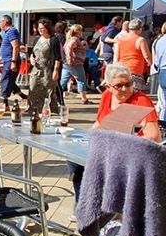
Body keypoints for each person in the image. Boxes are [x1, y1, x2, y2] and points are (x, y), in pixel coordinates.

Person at [68, 63, 160, 204]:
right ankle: (84, 203)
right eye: (119, 86)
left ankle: (97, 204)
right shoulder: (107, 96)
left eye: (128, 84)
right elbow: (99, 123)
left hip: (132, 151)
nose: (124, 89)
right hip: (108, 145)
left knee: (91, 165)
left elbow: (153, 135)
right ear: (108, 86)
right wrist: (86, 138)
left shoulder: (141, 100)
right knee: (74, 160)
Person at [28, 18, 61, 114]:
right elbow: (32, 53)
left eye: (42, 28)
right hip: (36, 69)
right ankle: (35, 110)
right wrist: (31, 58)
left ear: (47, 28)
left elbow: (58, 57)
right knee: (33, 89)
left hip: (47, 69)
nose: (40, 30)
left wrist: (56, 70)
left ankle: (51, 111)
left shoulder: (53, 40)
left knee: (49, 91)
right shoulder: (37, 39)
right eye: (39, 28)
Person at [113, 18, 151, 91]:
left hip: (122, 70)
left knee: (124, 92)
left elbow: (116, 56)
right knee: (135, 93)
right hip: (135, 70)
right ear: (140, 29)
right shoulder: (140, 40)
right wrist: (151, 63)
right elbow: (147, 56)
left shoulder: (120, 40)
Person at [0, 14, 26, 104]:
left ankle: (5, 102)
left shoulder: (11, 31)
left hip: (10, 60)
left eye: (0, 22)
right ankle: (23, 96)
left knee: (5, 80)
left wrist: (13, 62)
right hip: (7, 60)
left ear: (5, 22)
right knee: (10, 81)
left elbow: (15, 46)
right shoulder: (8, 32)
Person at [61, 24, 91, 104]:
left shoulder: (69, 39)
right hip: (75, 63)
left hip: (66, 64)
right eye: (80, 30)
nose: (82, 32)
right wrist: (70, 59)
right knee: (81, 80)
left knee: (63, 81)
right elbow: (69, 48)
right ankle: (84, 98)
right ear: (77, 31)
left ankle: (54, 95)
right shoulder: (75, 39)